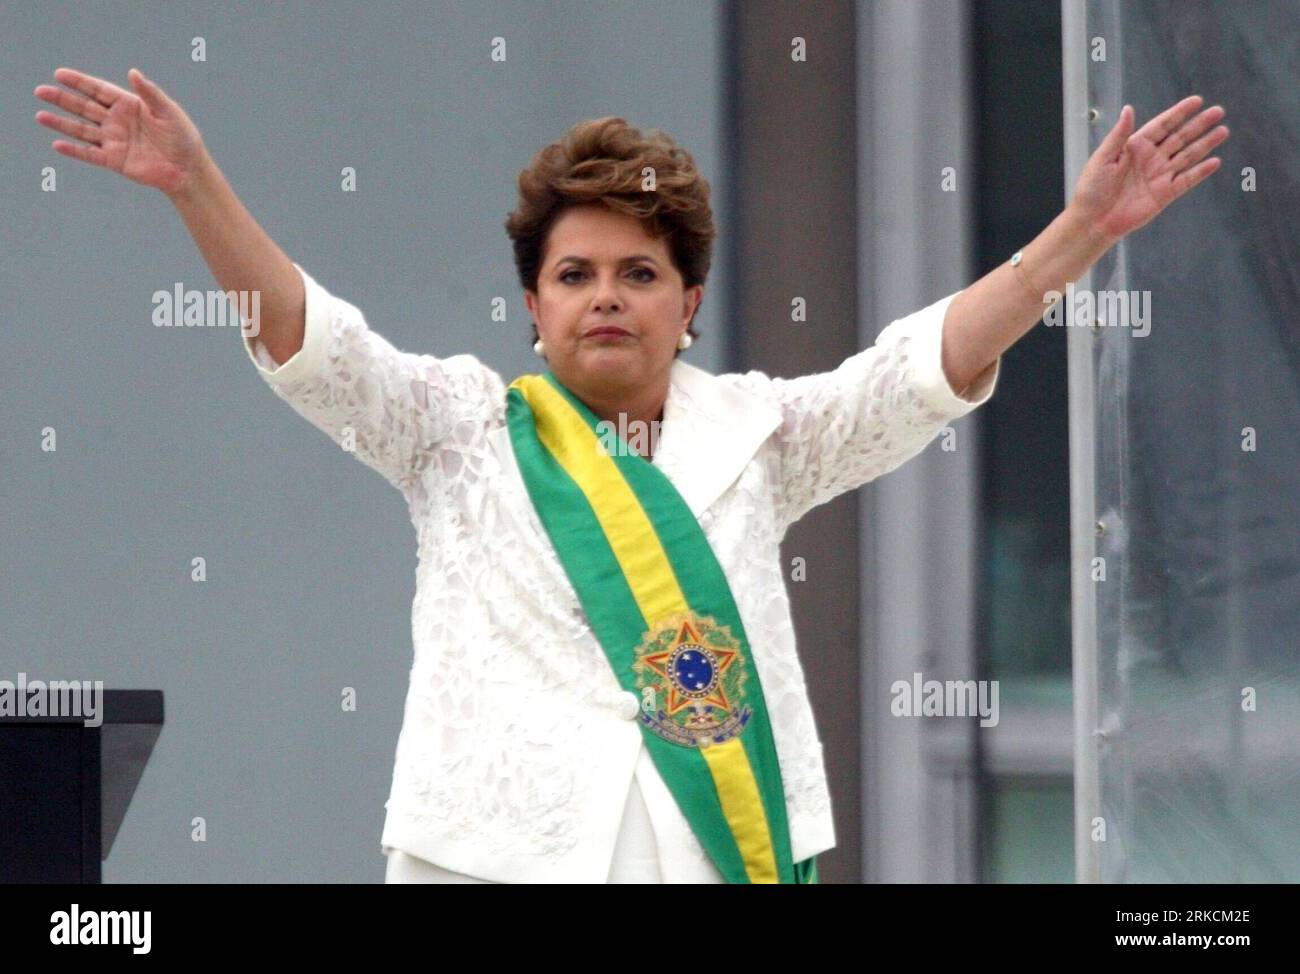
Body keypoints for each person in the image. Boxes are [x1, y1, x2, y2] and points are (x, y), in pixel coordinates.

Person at [35, 65, 1228, 883]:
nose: (607, 294)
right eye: (576, 273)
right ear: (533, 308)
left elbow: (923, 366)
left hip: (709, 847)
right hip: (490, 856)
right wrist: (195, 183)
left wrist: (1080, 235)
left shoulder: (763, 432)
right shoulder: (458, 426)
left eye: (639, 272)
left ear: (689, 302)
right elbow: (311, 339)